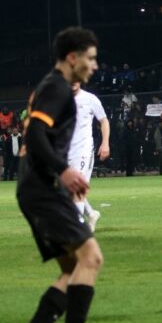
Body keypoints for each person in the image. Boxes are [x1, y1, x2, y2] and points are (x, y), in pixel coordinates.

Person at [8, 26, 108, 323]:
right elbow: (35, 134)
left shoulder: (52, 86)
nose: (95, 66)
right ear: (72, 57)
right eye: (91, 59)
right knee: (91, 258)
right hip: (44, 188)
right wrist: (64, 171)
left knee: (73, 268)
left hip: (37, 188)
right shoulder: (57, 88)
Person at [70, 81, 110, 231]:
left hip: (84, 150)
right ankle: (91, 214)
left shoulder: (90, 99)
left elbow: (104, 121)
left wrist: (105, 143)